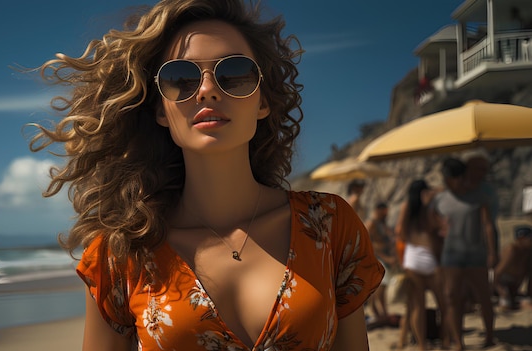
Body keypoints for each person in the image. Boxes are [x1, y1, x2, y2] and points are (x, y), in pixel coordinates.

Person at [28, 1, 385, 350]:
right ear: (160, 110)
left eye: (234, 73)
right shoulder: (120, 255)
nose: (207, 89)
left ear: (263, 101)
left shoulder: (330, 228)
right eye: (180, 78)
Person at [433, 157, 496, 351]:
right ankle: (458, 341)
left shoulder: (478, 196)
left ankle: (489, 337)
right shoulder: (440, 200)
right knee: (452, 298)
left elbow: (487, 226)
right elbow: (433, 225)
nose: (445, 180)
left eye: (448, 177)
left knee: (484, 296)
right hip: (451, 256)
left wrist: (492, 252)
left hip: (476, 255)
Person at [395, 179, 448, 351]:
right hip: (430, 258)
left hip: (412, 258)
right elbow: (438, 227)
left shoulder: (407, 207)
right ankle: (446, 341)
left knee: (417, 306)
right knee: (443, 304)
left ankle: (422, 345)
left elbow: (400, 232)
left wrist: (410, 239)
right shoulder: (429, 210)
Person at [365, 202, 398, 328]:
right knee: (380, 288)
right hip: (378, 258)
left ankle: (380, 313)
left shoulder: (381, 223)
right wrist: (386, 258)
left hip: (383, 257)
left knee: (379, 288)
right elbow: (369, 244)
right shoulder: (372, 223)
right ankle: (381, 313)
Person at [494, 225, 532, 311]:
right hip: (499, 285)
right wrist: (502, 291)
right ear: (521, 238)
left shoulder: (528, 252)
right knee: (506, 305)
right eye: (530, 239)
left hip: (513, 287)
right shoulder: (512, 250)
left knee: (527, 303)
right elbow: (496, 274)